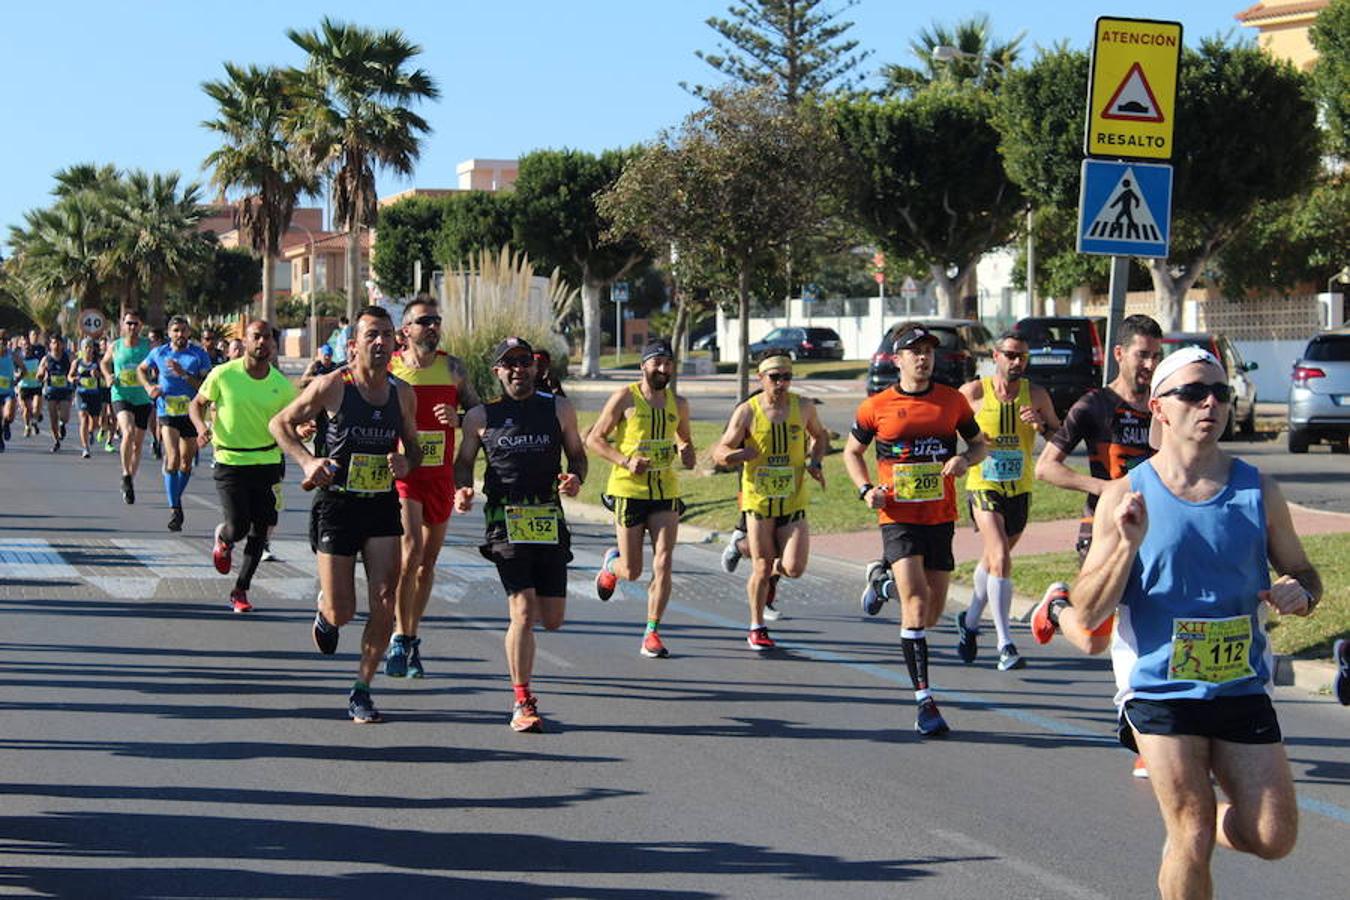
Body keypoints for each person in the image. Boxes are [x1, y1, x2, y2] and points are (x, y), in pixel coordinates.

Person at [1073, 346, 1320, 900]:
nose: (1211, 402)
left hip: (1238, 683)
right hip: (1159, 687)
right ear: (1160, 408)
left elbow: (1306, 574)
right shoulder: (1126, 494)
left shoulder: (1259, 490)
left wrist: (1299, 593)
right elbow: (1088, 610)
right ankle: (1194, 824)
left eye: (1221, 393)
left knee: (1274, 836)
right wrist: (1126, 546)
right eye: (1193, 393)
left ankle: (1204, 818)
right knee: (1191, 829)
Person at [270, 305, 421, 724]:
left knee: (386, 599)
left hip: (380, 505)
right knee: (344, 610)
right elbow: (280, 424)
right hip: (336, 504)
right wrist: (305, 462)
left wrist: (408, 463)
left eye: (387, 335)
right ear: (353, 345)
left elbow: (415, 447)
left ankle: (362, 690)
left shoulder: (402, 393)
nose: (380, 342)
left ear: (396, 343)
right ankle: (326, 612)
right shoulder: (333, 386)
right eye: (371, 335)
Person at [842, 323, 987, 737]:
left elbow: (979, 446)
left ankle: (882, 582)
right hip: (898, 516)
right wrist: (866, 489)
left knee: (934, 611)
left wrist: (964, 460)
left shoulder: (952, 401)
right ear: (897, 359)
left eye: (928, 351)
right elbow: (853, 452)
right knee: (918, 605)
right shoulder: (877, 406)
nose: (923, 358)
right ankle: (924, 701)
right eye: (915, 351)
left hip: (939, 516)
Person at [452, 337, 587, 732]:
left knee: (553, 619)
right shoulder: (481, 416)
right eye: (508, 364)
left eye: (524, 362)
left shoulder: (558, 408)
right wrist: (462, 489)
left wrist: (575, 478)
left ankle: (609, 565)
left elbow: (577, 454)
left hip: (548, 517)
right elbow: (463, 464)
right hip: (505, 519)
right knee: (523, 611)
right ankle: (522, 700)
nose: (517, 369)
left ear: (535, 366)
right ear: (496, 372)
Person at [954, 330, 1060, 671]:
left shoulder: (1037, 395)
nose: (1017, 362)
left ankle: (969, 622)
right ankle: (1005, 644)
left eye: (1023, 357)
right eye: (1011, 355)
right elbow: (945, 426)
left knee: (993, 561)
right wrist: (969, 444)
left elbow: (1061, 438)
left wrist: (1042, 425)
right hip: (983, 484)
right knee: (999, 556)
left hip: (1020, 489)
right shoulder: (973, 393)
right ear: (995, 356)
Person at [384, 299, 480, 678]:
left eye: (437, 321)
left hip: (440, 476)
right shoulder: (390, 367)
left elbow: (479, 414)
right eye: (424, 321)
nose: (433, 327)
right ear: (405, 330)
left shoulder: (452, 367)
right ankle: (396, 636)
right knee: (411, 553)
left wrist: (458, 418)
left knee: (427, 565)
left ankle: (411, 636)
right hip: (406, 474)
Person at [588, 339, 697, 659]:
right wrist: (625, 461)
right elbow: (594, 438)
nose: (663, 369)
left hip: (665, 491)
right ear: (643, 366)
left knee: (664, 560)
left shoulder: (680, 404)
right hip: (629, 490)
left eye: (668, 363)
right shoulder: (626, 397)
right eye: (656, 362)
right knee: (633, 570)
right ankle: (611, 564)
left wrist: (687, 452)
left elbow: (685, 444)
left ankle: (652, 631)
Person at [711, 355, 829, 649]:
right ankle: (756, 626)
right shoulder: (747, 412)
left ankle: (742, 547)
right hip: (759, 500)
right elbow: (719, 452)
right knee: (762, 567)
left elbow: (820, 435)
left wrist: (815, 462)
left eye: (786, 377)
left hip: (792, 499)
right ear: (760, 378)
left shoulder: (803, 407)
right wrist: (739, 455)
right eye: (775, 377)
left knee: (795, 567)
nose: (781, 383)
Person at [190, 320, 297, 614]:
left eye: (268, 339)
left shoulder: (281, 386)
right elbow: (196, 403)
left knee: (261, 530)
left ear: (274, 346)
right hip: (230, 460)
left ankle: (240, 590)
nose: (262, 343)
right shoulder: (223, 374)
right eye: (256, 337)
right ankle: (224, 538)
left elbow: (292, 420)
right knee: (239, 527)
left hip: (268, 462)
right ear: (246, 340)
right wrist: (201, 427)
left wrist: (304, 429)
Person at [139, 316, 212, 531]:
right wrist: (148, 387)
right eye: (176, 331)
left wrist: (184, 375)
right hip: (167, 412)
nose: (180, 335)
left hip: (190, 414)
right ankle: (175, 508)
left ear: (189, 333)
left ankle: (175, 496)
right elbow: (141, 370)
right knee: (172, 458)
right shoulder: (159, 353)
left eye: (183, 331)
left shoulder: (199, 355)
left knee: (186, 463)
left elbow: (204, 386)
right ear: (169, 333)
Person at [102, 311, 154, 504]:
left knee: (138, 444)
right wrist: (108, 376)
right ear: (123, 325)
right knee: (128, 432)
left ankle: (130, 479)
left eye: (135, 324)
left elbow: (158, 363)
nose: (132, 327)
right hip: (121, 395)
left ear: (140, 326)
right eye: (129, 323)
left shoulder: (147, 346)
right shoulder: (115, 346)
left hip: (142, 398)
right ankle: (125, 474)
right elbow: (104, 363)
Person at [36, 334, 74, 453]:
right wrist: (42, 374)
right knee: (53, 418)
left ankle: (62, 424)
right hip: (51, 391)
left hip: (65, 391)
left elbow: (76, 369)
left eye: (58, 343)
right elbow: (38, 376)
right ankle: (56, 440)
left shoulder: (68, 357)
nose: (56, 345)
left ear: (62, 345)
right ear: (50, 345)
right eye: (53, 343)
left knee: (64, 416)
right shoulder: (46, 359)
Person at [71, 338, 107, 459]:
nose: (88, 350)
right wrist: (73, 379)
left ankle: (91, 432)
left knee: (95, 423)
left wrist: (98, 375)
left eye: (90, 347)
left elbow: (105, 376)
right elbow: (69, 376)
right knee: (83, 418)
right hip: (81, 394)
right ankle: (85, 448)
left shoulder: (98, 363)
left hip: (95, 395)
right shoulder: (77, 362)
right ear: (82, 349)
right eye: (86, 347)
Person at [0, 336, 27, 452]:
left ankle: (6, 424)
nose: (2, 343)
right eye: (0, 340)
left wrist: (16, 380)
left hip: (8, 391)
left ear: (7, 342)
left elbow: (24, 370)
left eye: (4, 341)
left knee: (9, 414)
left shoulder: (12, 355)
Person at [18, 329, 45, 437]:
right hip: (24, 386)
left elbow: (43, 366)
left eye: (28, 344)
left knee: (36, 407)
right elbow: (15, 371)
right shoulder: (18, 357)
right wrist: (17, 375)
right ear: (21, 345)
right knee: (26, 409)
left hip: (36, 385)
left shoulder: (37, 354)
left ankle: (34, 422)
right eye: (24, 344)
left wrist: (42, 374)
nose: (27, 346)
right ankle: (27, 426)